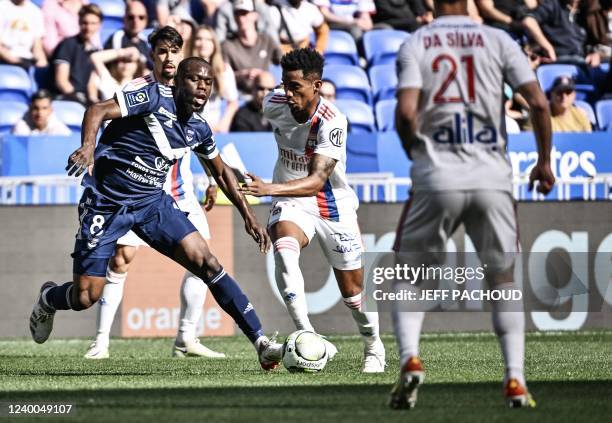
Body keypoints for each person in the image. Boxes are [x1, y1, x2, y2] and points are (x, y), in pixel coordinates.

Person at [29, 56, 283, 370]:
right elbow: (96, 110)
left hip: (152, 205)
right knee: (85, 297)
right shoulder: (151, 98)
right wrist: (88, 147)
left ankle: (261, 343)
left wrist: (248, 216)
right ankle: (49, 299)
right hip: (106, 203)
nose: (202, 87)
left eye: (207, 82)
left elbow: (221, 172)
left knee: (207, 262)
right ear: (178, 82)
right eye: (194, 79)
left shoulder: (199, 128)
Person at [389, 0, 555, 409]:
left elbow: (406, 112)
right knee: (502, 280)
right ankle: (515, 379)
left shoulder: (417, 42)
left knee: (407, 274)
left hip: (437, 176)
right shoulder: (498, 39)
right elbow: (537, 103)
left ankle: (410, 357)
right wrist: (544, 162)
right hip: (491, 177)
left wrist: (419, 154)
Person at [240, 48, 386, 373]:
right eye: (284, 86)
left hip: (331, 204)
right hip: (292, 202)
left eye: (295, 87)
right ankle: (307, 335)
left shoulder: (333, 121)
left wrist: (268, 189)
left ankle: (374, 346)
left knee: (353, 293)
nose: (287, 94)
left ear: (316, 85)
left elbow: (317, 180)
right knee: (284, 249)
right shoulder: (273, 104)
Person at [83, 26, 224, 360]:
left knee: (202, 261)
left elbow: (198, 138)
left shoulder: (192, 86)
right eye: (162, 50)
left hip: (181, 192)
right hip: (139, 191)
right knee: (121, 259)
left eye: (175, 50)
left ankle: (186, 338)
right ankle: (101, 341)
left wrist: (212, 179)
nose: (169, 57)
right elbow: (107, 122)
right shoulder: (139, 89)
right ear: (153, 55)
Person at [221, 0, 283, 94]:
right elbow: (222, 75)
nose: (241, 18)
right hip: (240, 94)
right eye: (237, 14)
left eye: (245, 13)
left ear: (255, 15)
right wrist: (242, 75)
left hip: (265, 92)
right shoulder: (227, 45)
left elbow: (283, 62)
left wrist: (265, 76)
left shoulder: (267, 40)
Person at [51, 4, 103, 105]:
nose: (88, 27)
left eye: (93, 23)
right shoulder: (67, 44)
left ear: (100, 25)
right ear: (79, 22)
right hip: (65, 99)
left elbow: (92, 84)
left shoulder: (97, 51)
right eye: (85, 23)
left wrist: (93, 101)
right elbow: (62, 82)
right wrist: (79, 100)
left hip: (84, 100)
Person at [522, 0, 601, 66]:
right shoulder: (553, 4)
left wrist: (594, 54)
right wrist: (548, 47)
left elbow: (592, 43)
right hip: (559, 60)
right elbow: (529, 21)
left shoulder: (585, 11)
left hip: (583, 61)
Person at [192, 25, 239, 133]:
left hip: (215, 129)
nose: (203, 43)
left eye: (208, 40)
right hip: (190, 130)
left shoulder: (224, 70)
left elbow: (232, 103)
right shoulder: (183, 69)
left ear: (214, 44)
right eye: (199, 39)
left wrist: (223, 125)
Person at [104, 0, 152, 69]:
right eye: (131, 17)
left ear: (146, 20)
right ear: (124, 19)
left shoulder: (144, 40)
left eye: (141, 17)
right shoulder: (117, 37)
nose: (136, 21)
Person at [0, 0, 47, 69]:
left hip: (26, 59)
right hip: (5, 58)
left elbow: (37, 47)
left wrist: (42, 62)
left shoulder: (35, 11)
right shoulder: (2, 6)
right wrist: (12, 59)